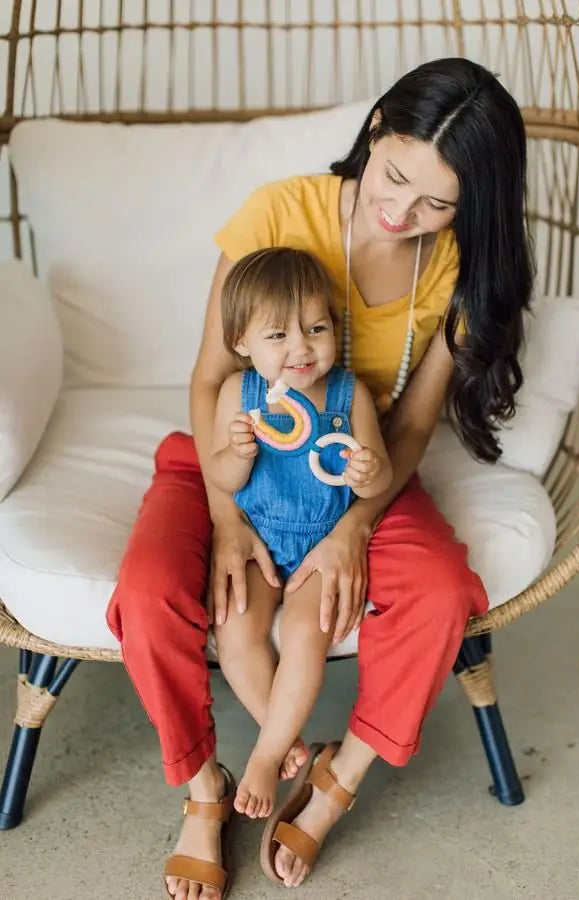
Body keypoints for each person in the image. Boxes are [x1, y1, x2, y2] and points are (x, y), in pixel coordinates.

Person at [107, 55, 533, 899]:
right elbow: (206, 379)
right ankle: (205, 793)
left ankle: (335, 780)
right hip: (232, 461)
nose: (401, 212)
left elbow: (410, 424)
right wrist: (228, 515)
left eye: (436, 202)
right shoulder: (281, 213)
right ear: (375, 130)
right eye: (394, 176)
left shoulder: (449, 268)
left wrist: (354, 526)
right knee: (151, 590)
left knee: (445, 592)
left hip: (354, 474)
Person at [208, 246, 392, 822]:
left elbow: (378, 479)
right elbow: (220, 477)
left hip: (320, 546)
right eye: (278, 336)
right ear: (241, 342)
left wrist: (368, 470)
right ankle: (286, 740)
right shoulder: (237, 396)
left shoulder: (348, 396)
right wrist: (236, 453)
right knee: (235, 632)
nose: (301, 349)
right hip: (259, 541)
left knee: (305, 634)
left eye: (316, 329)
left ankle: (265, 759)